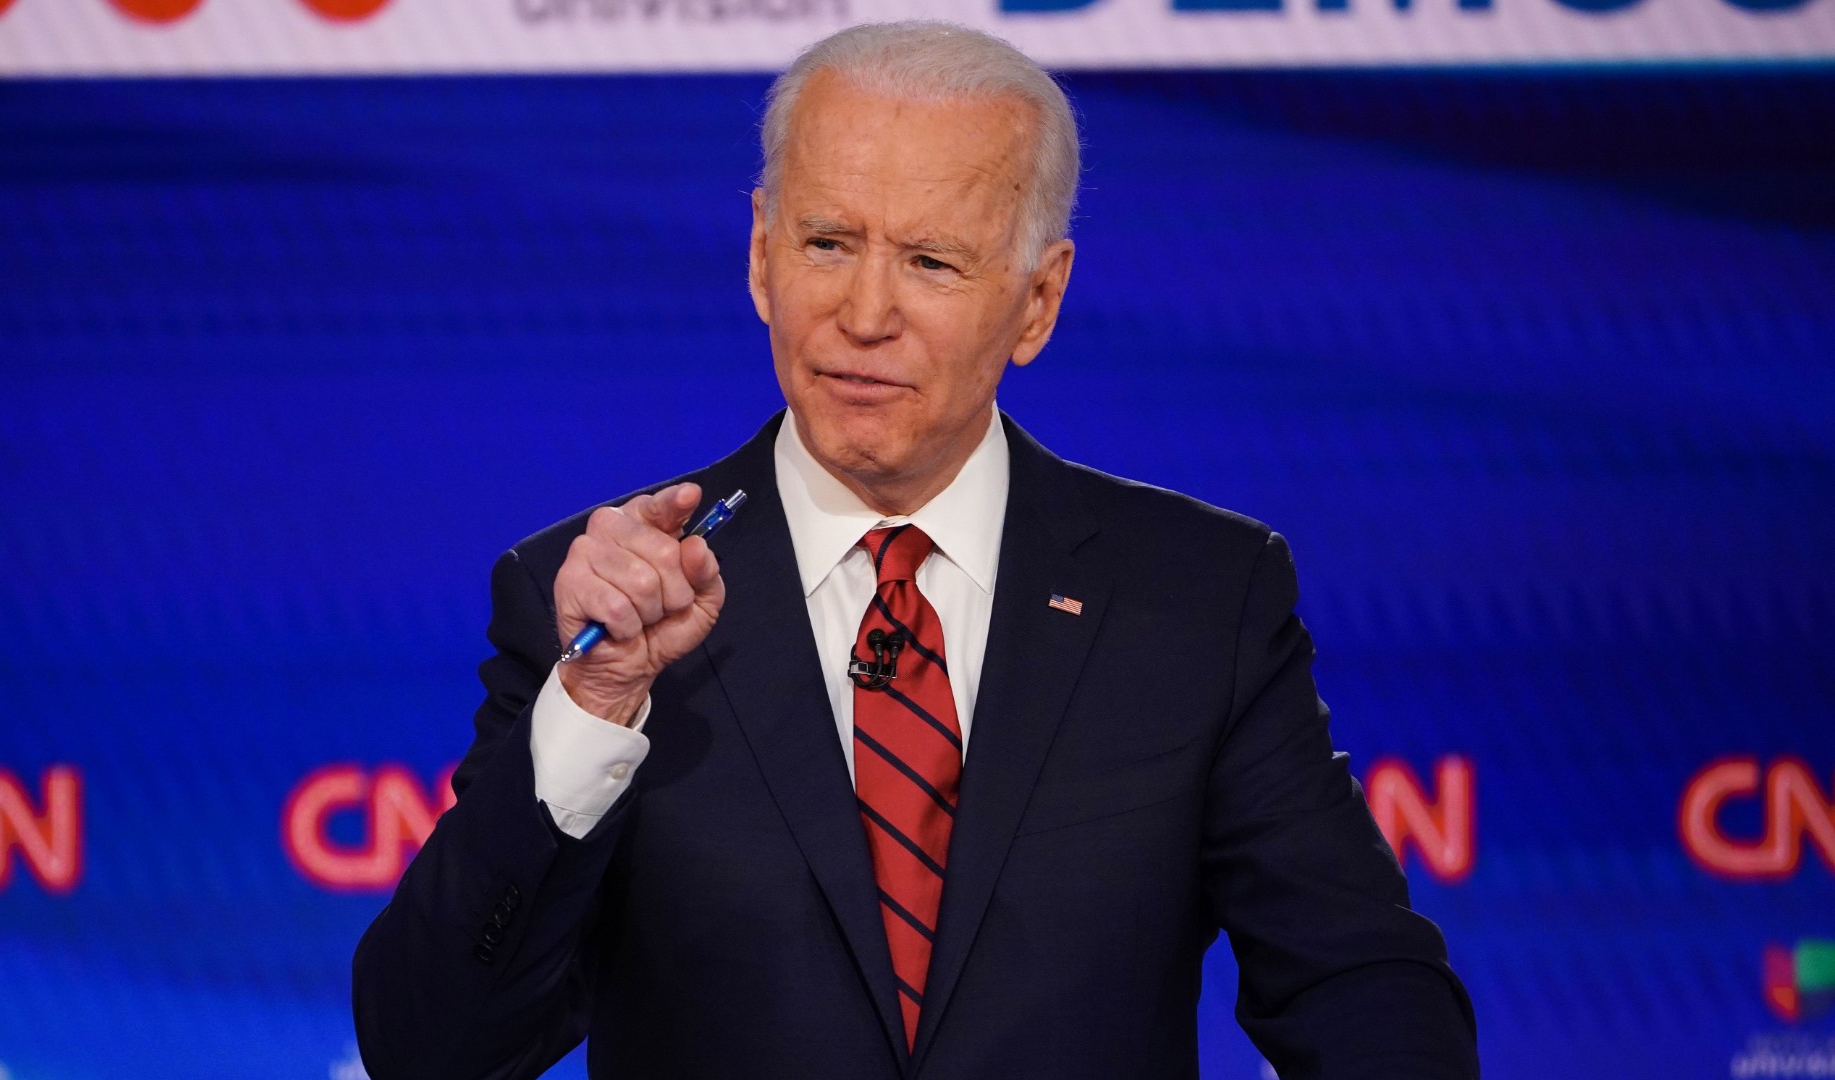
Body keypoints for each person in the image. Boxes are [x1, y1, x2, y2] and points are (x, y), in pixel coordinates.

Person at [352, 20, 1478, 1080]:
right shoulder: (601, 603)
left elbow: (1361, 988)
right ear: (759, 256)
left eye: (933, 263)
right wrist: (595, 700)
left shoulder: (1196, 597)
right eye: (827, 242)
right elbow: (432, 1043)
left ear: (1037, 303)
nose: (865, 313)